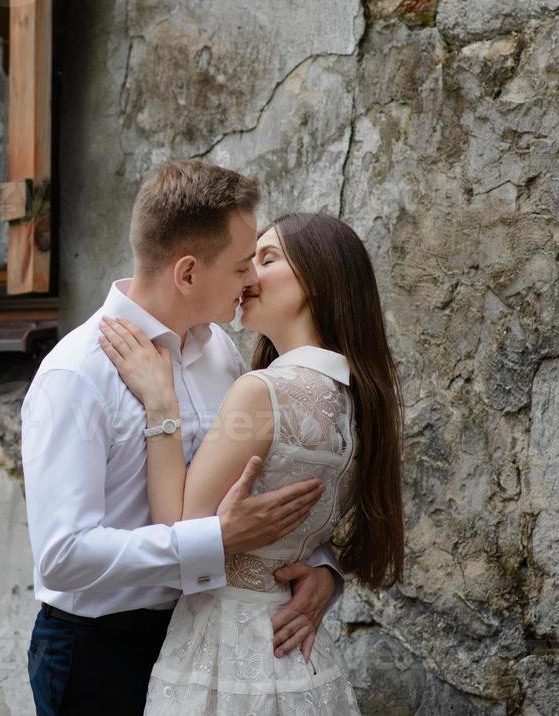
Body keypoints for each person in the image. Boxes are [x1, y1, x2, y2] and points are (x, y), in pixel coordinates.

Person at [22, 159, 352, 715]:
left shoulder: (221, 353)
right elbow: (63, 555)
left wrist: (323, 570)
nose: (252, 280)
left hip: (196, 639)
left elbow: (256, 482)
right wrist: (213, 541)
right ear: (188, 273)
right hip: (98, 651)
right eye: (243, 264)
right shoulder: (76, 375)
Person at [97, 208, 406, 714]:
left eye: (266, 258)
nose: (247, 274)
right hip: (298, 654)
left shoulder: (261, 391)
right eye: (246, 260)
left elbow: (178, 527)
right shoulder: (359, 399)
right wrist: (326, 575)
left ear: (317, 278)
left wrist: (161, 404)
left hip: (223, 649)